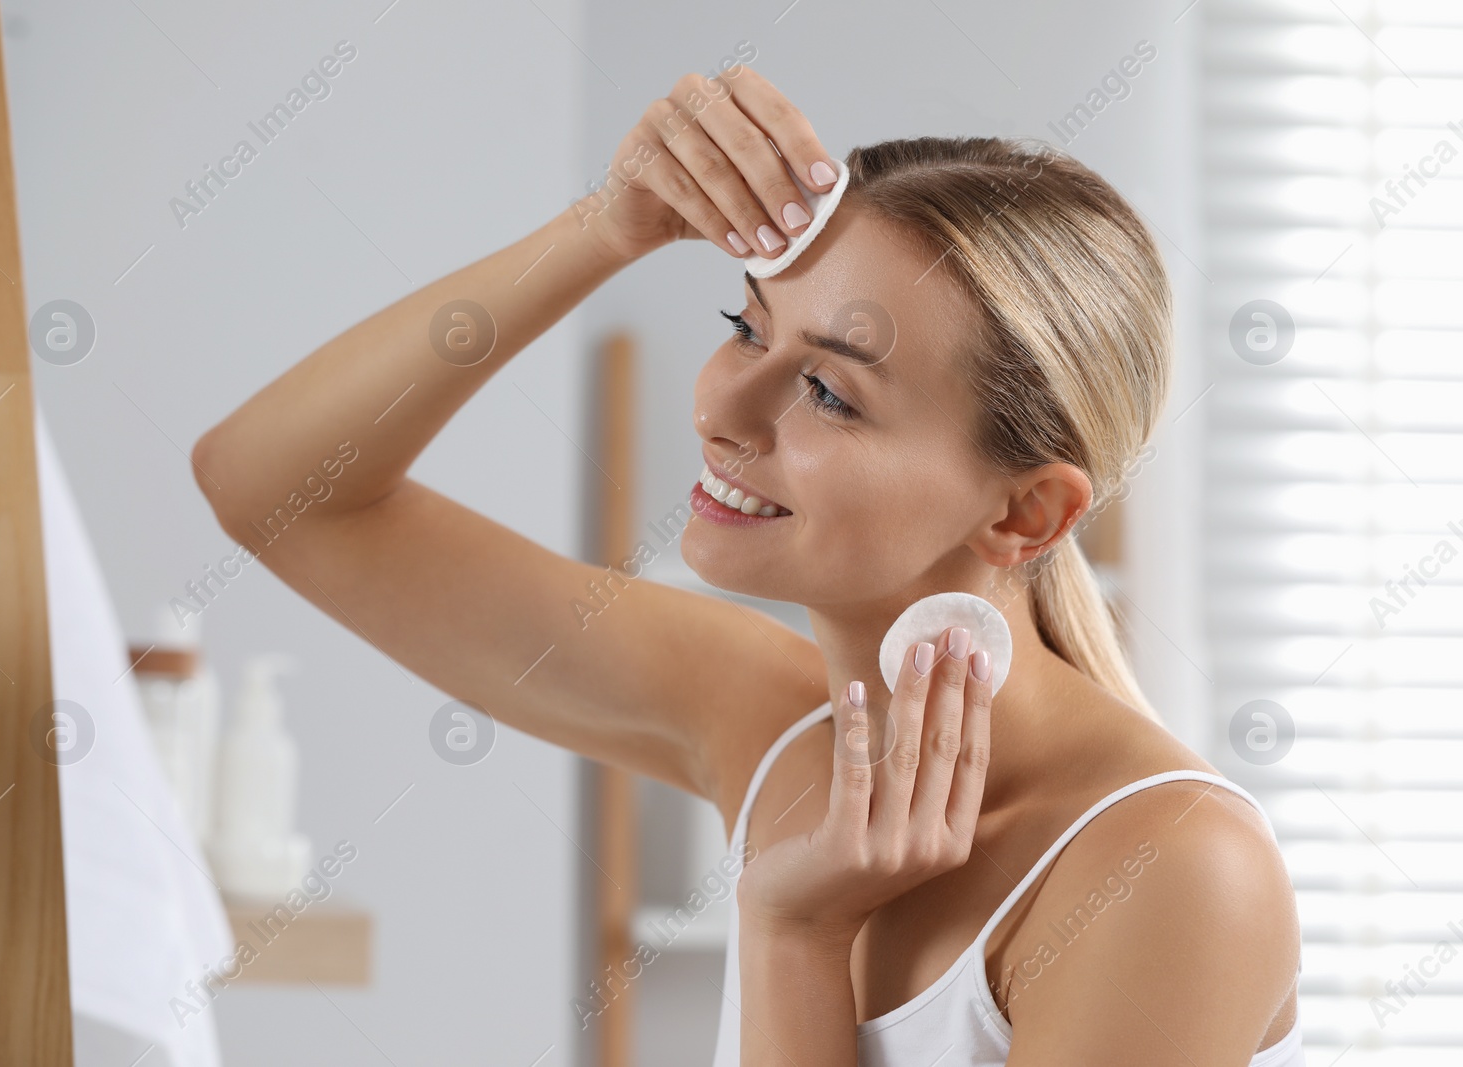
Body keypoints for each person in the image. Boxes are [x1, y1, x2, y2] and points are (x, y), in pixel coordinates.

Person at [193, 65, 1303, 1066]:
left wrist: (794, 934)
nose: (722, 406)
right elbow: (277, 491)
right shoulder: (774, 726)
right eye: (746, 323)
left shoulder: (1165, 866)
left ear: (1026, 510)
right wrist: (606, 227)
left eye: (829, 391)